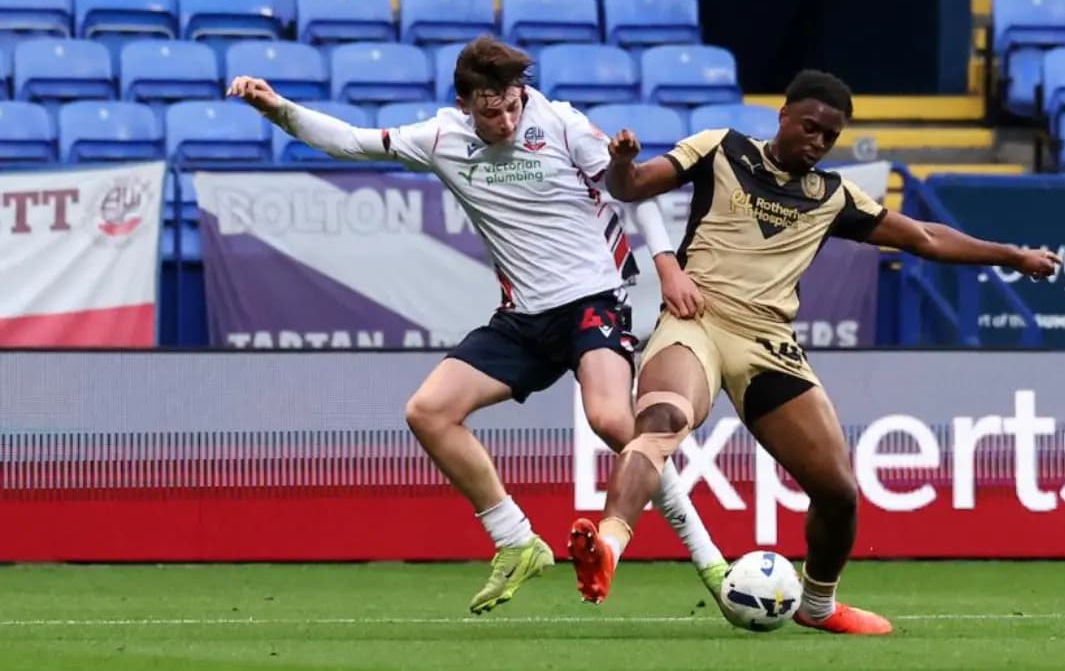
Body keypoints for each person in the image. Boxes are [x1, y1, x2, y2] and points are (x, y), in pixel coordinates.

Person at [226, 36, 730, 614]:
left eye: (514, 104)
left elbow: (633, 186)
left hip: (593, 299)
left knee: (613, 420)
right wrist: (277, 108)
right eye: (493, 110)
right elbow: (352, 142)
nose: (508, 119)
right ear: (466, 103)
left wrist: (665, 263)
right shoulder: (442, 138)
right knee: (428, 411)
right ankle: (516, 542)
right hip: (523, 318)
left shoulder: (560, 123)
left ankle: (709, 559)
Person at [566, 69, 1062, 635]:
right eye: (810, 127)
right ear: (782, 116)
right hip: (694, 323)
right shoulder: (720, 148)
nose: (818, 142)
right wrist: (625, 163)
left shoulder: (832, 196)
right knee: (659, 423)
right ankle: (606, 546)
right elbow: (631, 188)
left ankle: (818, 605)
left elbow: (923, 237)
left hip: (768, 346)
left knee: (838, 491)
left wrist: (1011, 256)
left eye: (830, 136)